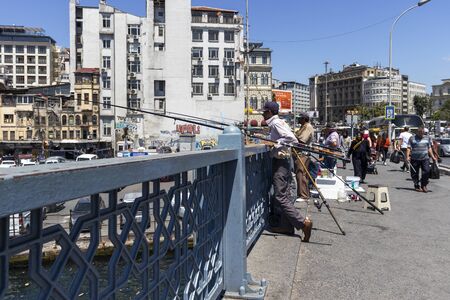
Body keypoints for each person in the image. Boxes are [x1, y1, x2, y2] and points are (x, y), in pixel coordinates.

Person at [262, 101, 312, 241]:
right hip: (284, 161)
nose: (263, 114)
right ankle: (286, 226)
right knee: (284, 194)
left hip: (280, 162)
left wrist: (275, 144)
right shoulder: (278, 122)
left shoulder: (276, 123)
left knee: (280, 196)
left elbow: (292, 139)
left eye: (265, 112)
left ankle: (303, 223)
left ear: (270, 112)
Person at [406, 127, 437, 192]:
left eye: (422, 133)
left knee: (426, 171)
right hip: (414, 158)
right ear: (417, 132)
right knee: (414, 173)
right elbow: (408, 148)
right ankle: (417, 185)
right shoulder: (412, 138)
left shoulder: (428, 138)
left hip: (425, 158)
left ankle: (424, 185)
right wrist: (407, 156)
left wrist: (433, 157)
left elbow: (429, 148)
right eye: (420, 133)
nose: (421, 135)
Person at [294, 113, 314, 202]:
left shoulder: (307, 126)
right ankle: (301, 193)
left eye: (300, 118)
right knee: (300, 173)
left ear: (304, 119)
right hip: (299, 153)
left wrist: (291, 138)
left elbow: (301, 141)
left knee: (301, 173)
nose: (298, 120)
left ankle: (303, 195)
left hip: (303, 153)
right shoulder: (303, 126)